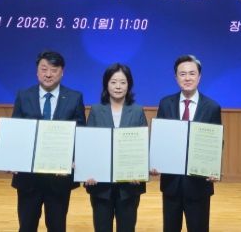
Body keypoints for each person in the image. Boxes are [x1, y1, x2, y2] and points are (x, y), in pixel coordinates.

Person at [11, 50, 86, 232]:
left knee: (57, 226)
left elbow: (80, 133)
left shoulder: (74, 97)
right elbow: (15, 131)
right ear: (37, 71)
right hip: (28, 177)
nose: (48, 74)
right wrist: (12, 159)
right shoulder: (24, 95)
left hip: (59, 177)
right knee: (26, 226)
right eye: (44, 69)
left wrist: (73, 160)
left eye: (54, 69)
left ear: (62, 72)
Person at [156, 55, 222, 232]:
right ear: (176, 77)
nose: (187, 78)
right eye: (182, 74)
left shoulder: (212, 107)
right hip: (171, 184)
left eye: (192, 73)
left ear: (199, 77)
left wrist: (214, 168)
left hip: (199, 184)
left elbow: (216, 142)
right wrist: (155, 162)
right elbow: (160, 139)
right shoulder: (165, 103)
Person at [85, 63, 148, 232]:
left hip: (129, 187)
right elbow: (89, 145)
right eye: (113, 82)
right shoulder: (96, 110)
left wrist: (139, 171)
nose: (118, 86)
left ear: (129, 85)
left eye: (122, 82)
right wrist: (87, 171)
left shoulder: (137, 111)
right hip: (100, 186)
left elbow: (142, 147)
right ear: (106, 84)